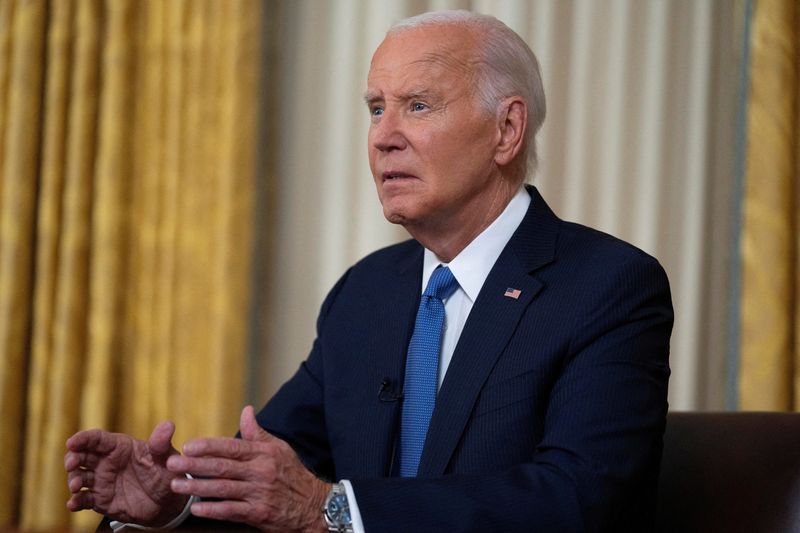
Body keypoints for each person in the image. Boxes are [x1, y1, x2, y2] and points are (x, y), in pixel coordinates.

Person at [65, 10, 672, 533]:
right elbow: (270, 481)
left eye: (418, 105)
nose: (384, 137)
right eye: (376, 109)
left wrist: (333, 512)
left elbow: (580, 501)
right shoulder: (367, 292)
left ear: (506, 130)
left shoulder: (606, 285)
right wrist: (175, 504)